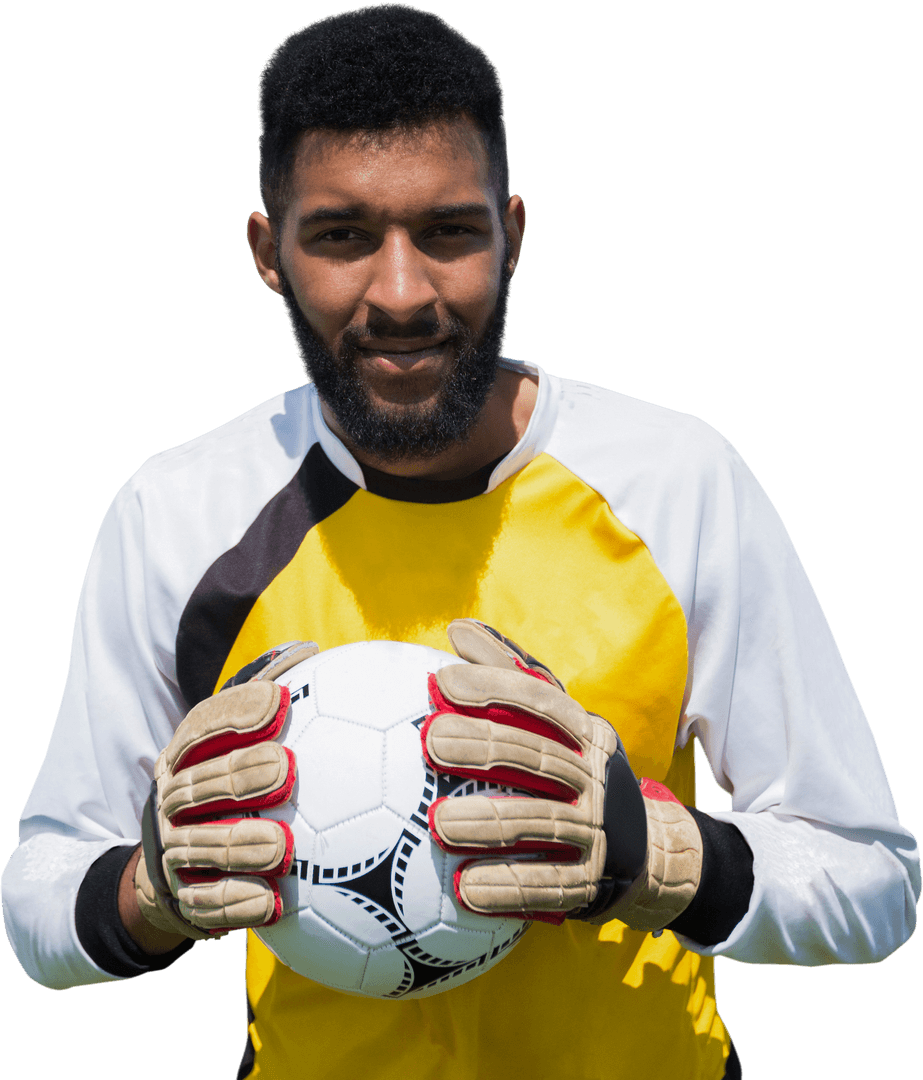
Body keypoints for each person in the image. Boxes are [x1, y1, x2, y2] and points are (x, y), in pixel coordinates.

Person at [1, 5, 919, 1079]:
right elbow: (36, 898)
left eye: (448, 231)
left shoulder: (675, 482)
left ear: (513, 234)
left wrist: (659, 854)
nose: (401, 293)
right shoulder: (181, 513)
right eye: (341, 235)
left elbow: (875, 881)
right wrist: (144, 890)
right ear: (267, 251)